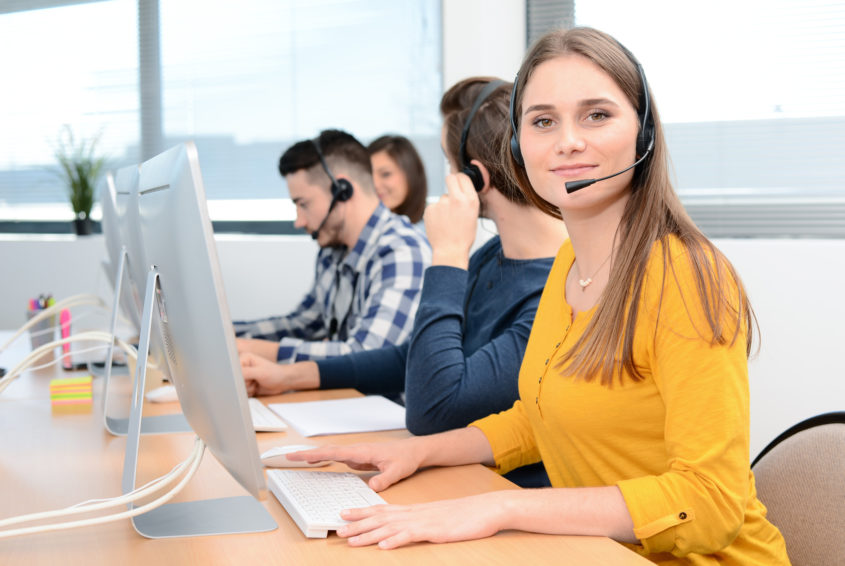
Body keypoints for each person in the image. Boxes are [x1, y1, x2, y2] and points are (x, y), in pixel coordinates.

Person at [285, 28, 791, 564]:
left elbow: (710, 501)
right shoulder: (571, 263)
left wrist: (502, 508)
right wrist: (416, 453)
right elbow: (538, 416)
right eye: (543, 121)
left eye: (597, 114)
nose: (567, 140)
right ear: (516, 146)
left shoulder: (685, 276)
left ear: (642, 134)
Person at [240, 78, 568, 487]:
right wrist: (290, 375)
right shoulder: (493, 257)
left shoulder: (560, 286)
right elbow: (407, 358)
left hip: (504, 498)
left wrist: (448, 255)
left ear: (474, 176)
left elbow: (434, 411)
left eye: (451, 166)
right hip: (460, 482)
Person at [234, 129, 431, 364]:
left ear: (342, 191)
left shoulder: (402, 251)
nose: (299, 221)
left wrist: (261, 351)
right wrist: (227, 336)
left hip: (381, 400)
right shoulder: (332, 250)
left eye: (303, 204)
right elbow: (306, 323)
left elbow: (367, 355)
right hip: (343, 397)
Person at [368, 135, 428, 224]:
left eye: (385, 174)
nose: (375, 184)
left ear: (411, 174)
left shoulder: (429, 232)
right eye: (369, 175)